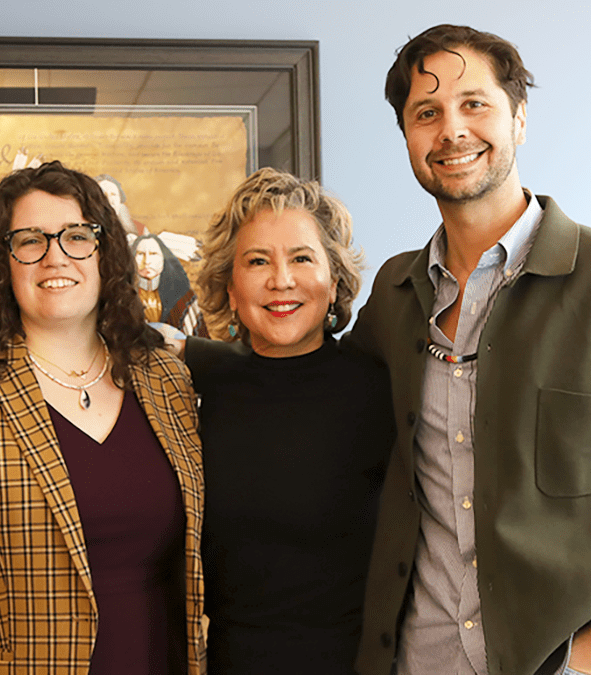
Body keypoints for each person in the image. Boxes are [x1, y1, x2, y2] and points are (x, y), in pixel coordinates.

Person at [348, 24, 591, 675]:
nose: (452, 130)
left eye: (474, 103)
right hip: (417, 659)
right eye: (427, 113)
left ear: (519, 118)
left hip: (560, 663)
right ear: (408, 137)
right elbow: (328, 419)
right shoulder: (393, 296)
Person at [0, 160, 206, 675]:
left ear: (106, 252)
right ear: (2, 261)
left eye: (77, 236)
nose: (55, 257)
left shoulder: (165, 379)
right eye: (30, 241)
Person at [184, 167, 394, 674]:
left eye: (302, 258)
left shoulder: (382, 387)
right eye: (257, 261)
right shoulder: (195, 388)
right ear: (230, 288)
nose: (281, 280)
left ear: (334, 280)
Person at [133, 232, 209, 338]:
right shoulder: (122, 297)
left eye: (153, 254)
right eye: (140, 254)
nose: (147, 261)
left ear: (163, 259)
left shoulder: (184, 297)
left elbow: (197, 339)